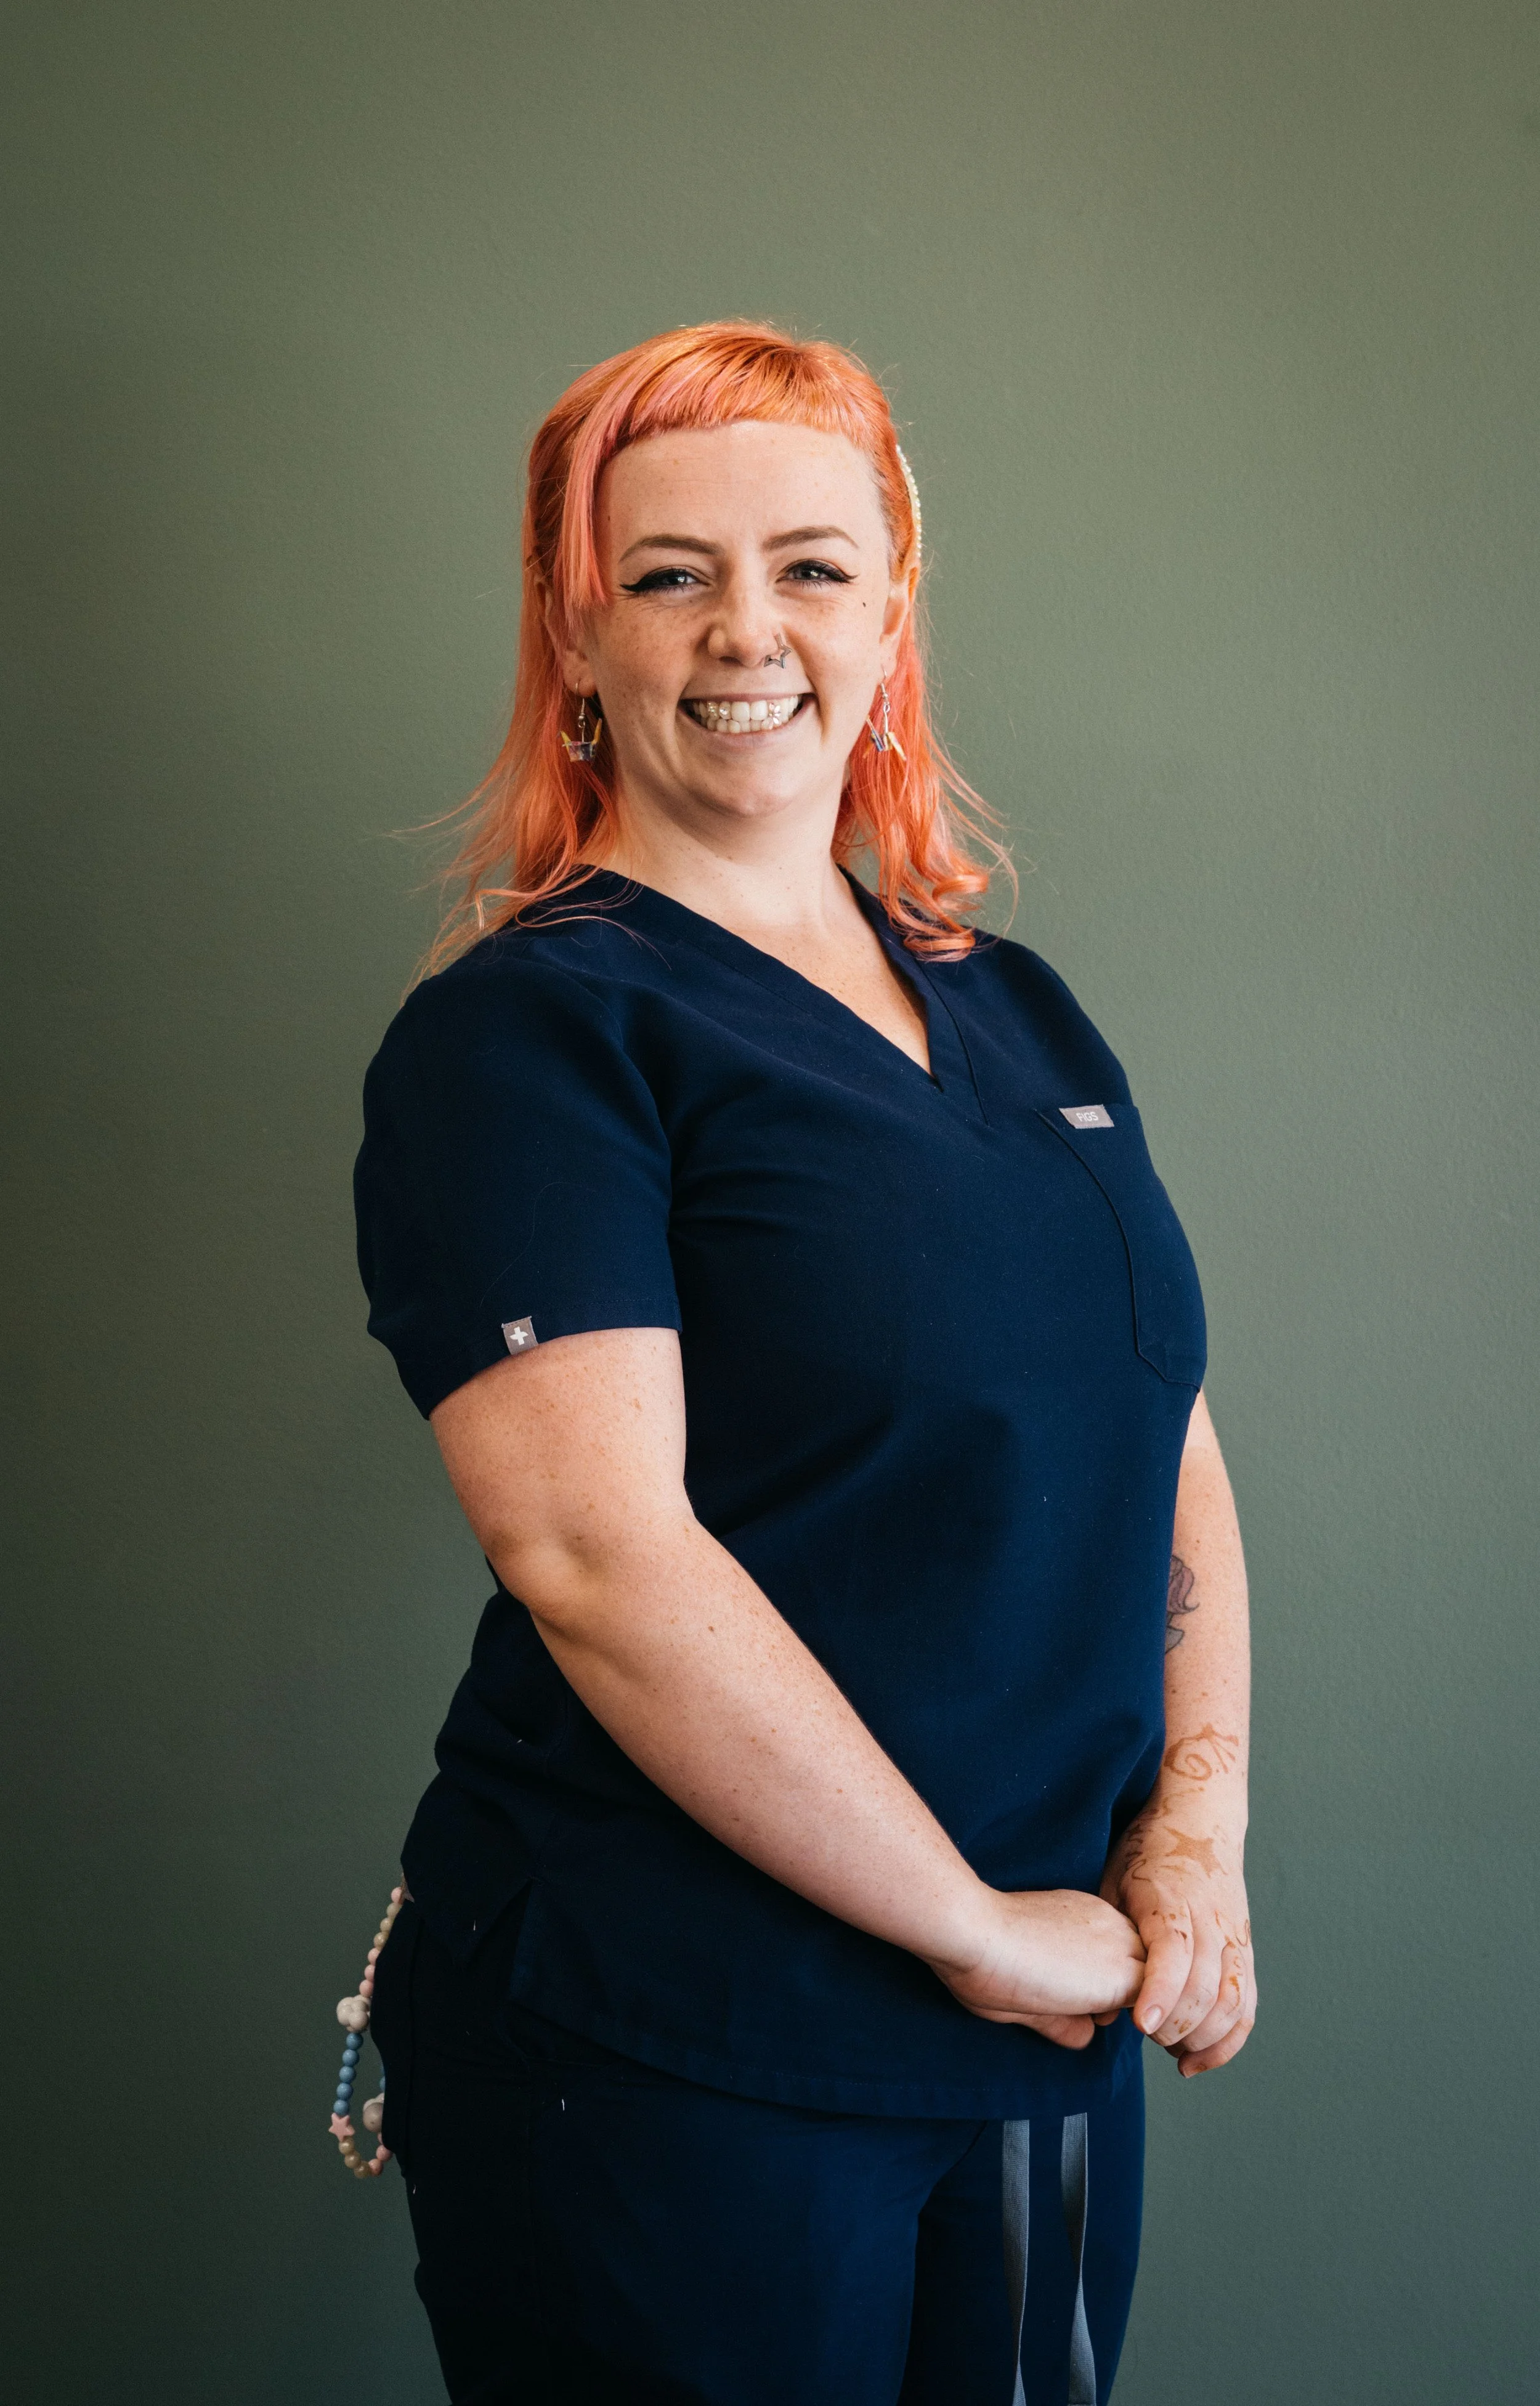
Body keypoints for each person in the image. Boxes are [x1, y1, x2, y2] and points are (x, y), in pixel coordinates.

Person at [355, 320, 1255, 2406]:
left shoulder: (1009, 1003)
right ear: (575, 635)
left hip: (1033, 2012)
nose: (742, 630)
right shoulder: (532, 1039)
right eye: (668, 574)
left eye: (809, 566)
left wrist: (1185, 1838)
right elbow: (599, 1557)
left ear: (890, 616)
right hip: (678, 2038)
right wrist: (967, 1920)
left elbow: (1159, 1435)